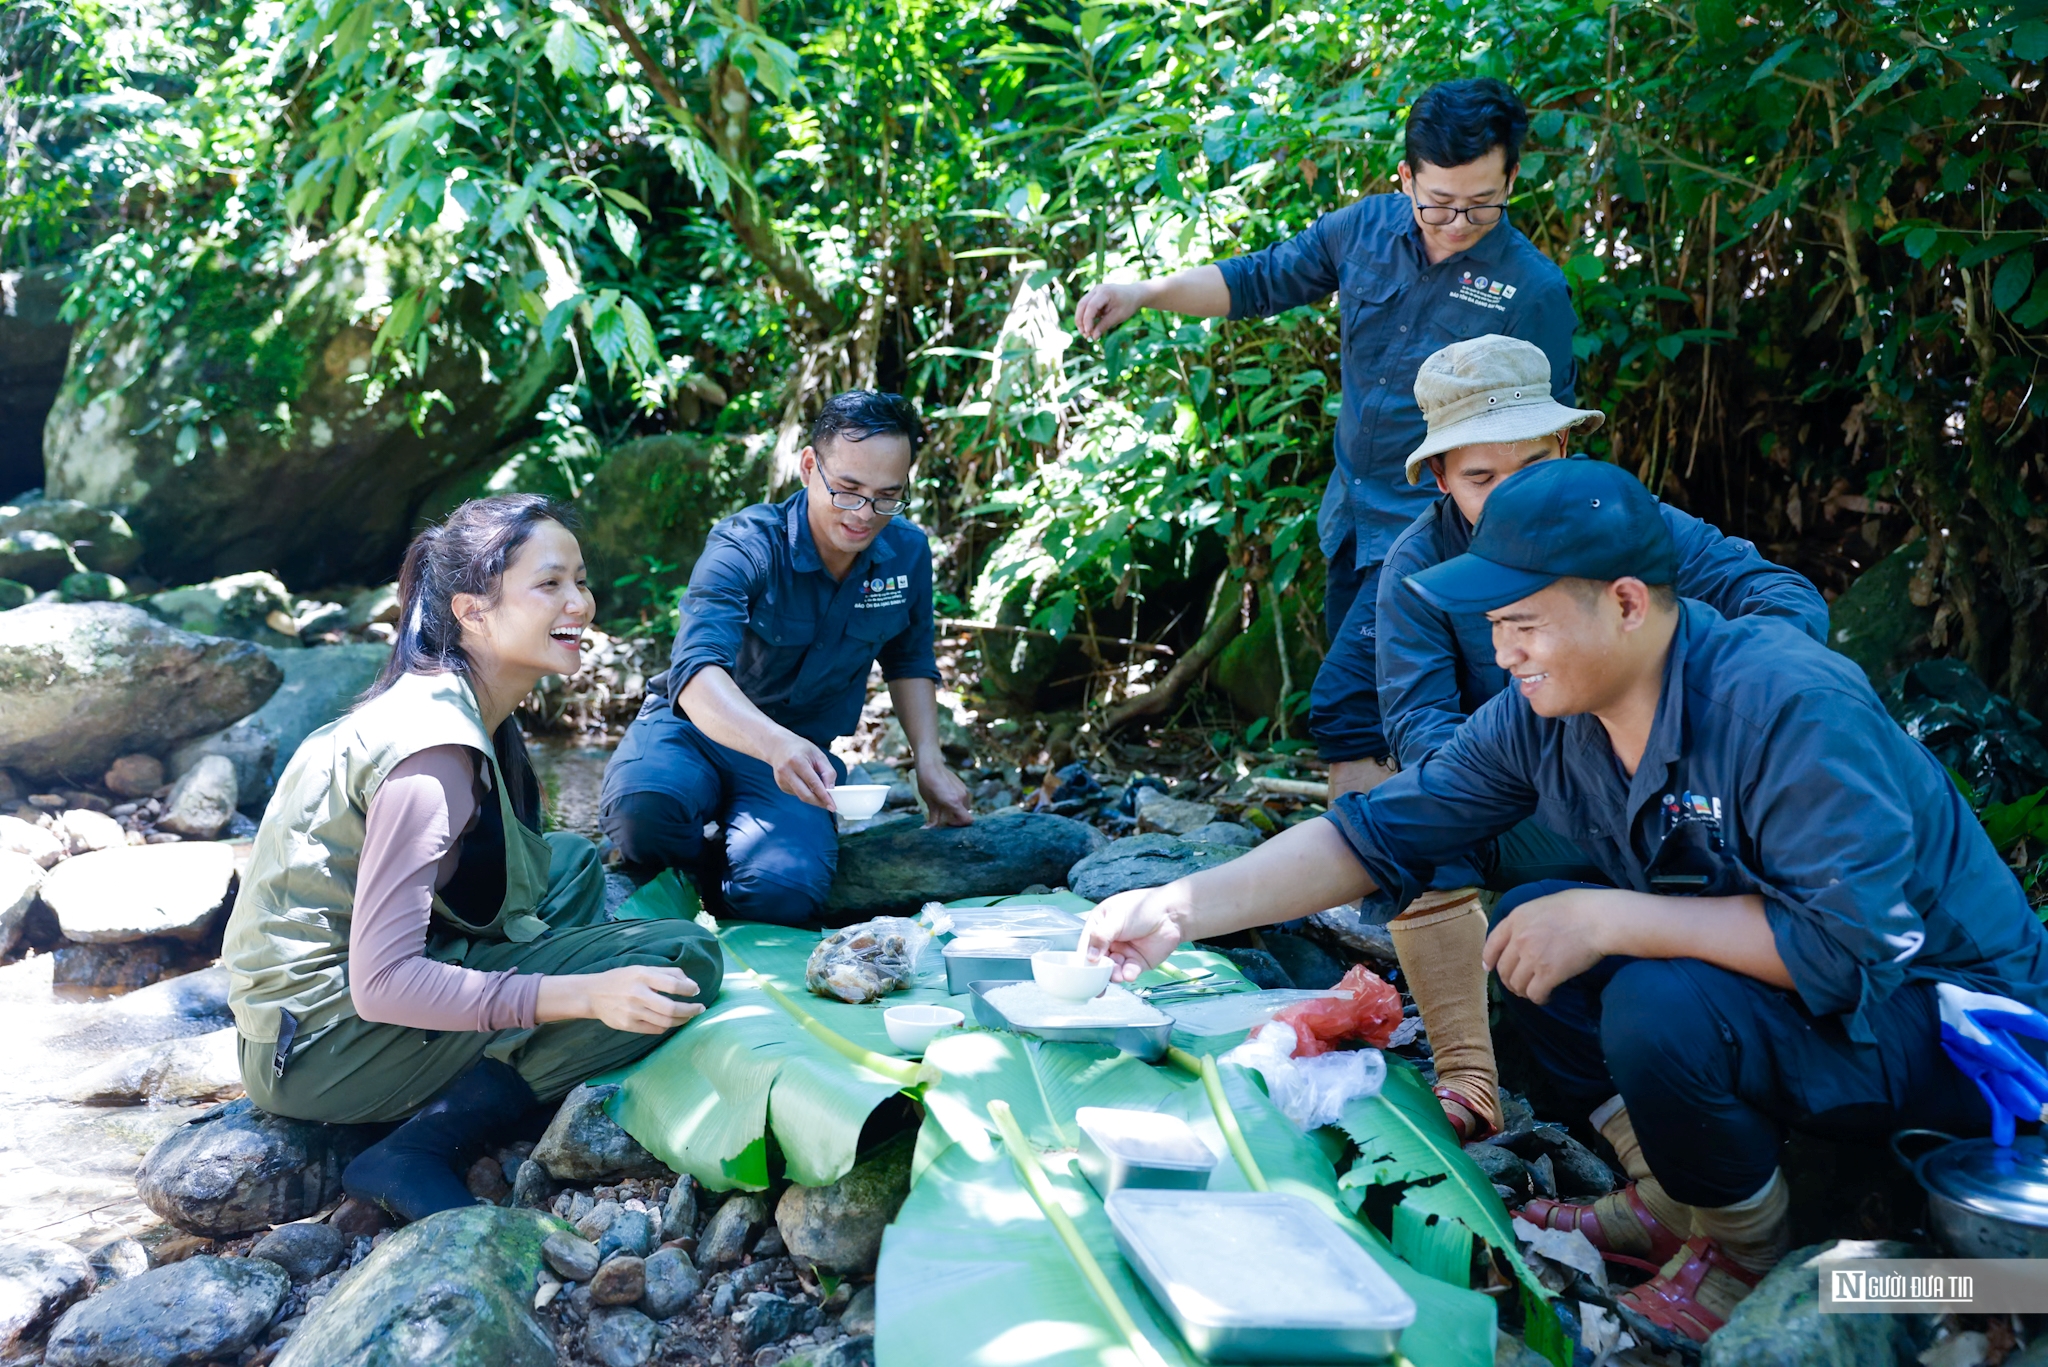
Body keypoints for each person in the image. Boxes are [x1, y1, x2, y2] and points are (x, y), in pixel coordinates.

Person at [1081, 459, 2047, 1343]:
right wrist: (1178, 907)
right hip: (1818, 988)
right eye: (1493, 627)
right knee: (1540, 922)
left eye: (1522, 623)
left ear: (1627, 603)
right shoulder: (1548, 715)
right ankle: (1679, 1202)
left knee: (1645, 991)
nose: (1503, 653)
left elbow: (1849, 950)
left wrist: (1611, 917)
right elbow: (1375, 832)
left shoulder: (1787, 704)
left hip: (1961, 1028)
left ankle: (1751, 1259)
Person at [1371, 334, 1831, 1143]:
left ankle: (1737, 1079)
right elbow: (1419, 727)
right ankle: (1476, 1081)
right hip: (1526, 807)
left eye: (1531, 466)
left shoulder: (1624, 521)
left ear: (1564, 446)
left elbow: (1777, 595)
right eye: (1482, 478)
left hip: (1667, 789)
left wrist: (1717, 696)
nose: (1512, 494)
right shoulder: (1416, 571)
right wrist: (1529, 753)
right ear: (1440, 481)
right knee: (1417, 829)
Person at [223, 495, 722, 1223]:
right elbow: (384, 982)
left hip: (316, 1014)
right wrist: (583, 995)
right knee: (682, 956)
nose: (579, 601)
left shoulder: (459, 699)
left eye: (580, 580)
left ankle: (507, 1033)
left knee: (573, 864)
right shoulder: (431, 758)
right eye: (549, 584)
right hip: (320, 1045)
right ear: (472, 610)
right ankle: (424, 1144)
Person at [1074, 78, 1575, 797]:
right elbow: (1258, 280)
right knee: (1394, 710)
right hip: (1353, 519)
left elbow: (1548, 445)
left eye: (1481, 202)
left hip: (1437, 537)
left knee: (1349, 704)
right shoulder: (1363, 231)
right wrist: (1146, 292)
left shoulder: (1532, 290)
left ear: (1513, 179)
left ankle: (1380, 883)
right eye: (1438, 201)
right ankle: (1412, 876)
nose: (1459, 220)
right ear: (1405, 177)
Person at [601, 390, 972, 925]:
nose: (865, 515)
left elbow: (909, 659)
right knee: (645, 813)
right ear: (808, 467)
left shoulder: (907, 553)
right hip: (690, 731)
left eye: (888, 496)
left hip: (799, 756)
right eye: (847, 491)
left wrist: (930, 762)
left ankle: (726, 865)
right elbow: (696, 674)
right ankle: (686, 859)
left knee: (785, 894)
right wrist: (776, 743)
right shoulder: (745, 545)